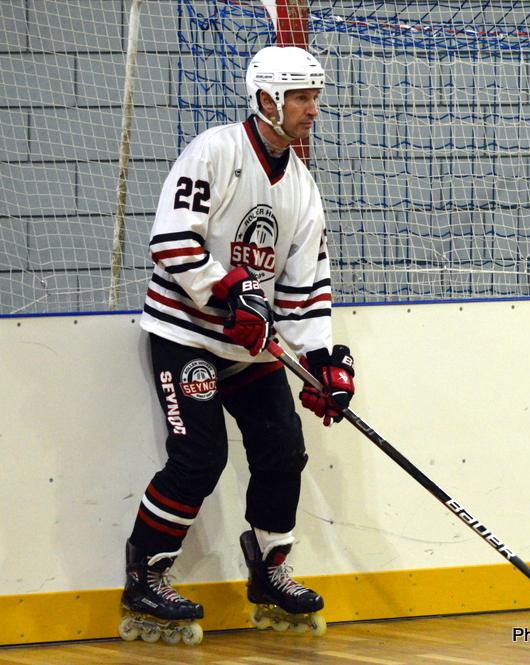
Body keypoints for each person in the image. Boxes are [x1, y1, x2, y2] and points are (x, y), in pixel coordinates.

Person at [117, 45, 355, 645]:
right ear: (268, 99)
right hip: (186, 334)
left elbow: (305, 289)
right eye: (301, 98)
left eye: (315, 97)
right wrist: (228, 291)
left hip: (248, 348)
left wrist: (321, 365)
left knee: (283, 449)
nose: (312, 109)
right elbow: (172, 239)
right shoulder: (215, 152)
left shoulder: (302, 187)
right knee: (199, 457)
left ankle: (270, 570)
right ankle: (145, 576)